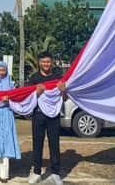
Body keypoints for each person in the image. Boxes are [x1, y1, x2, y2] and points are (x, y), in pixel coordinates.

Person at [26, 52, 66, 185]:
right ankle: (37, 172)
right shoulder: (34, 78)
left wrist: (62, 90)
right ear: (39, 63)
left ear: (52, 62)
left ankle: (55, 173)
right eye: (43, 62)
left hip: (54, 115)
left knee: (54, 144)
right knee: (37, 144)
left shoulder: (58, 78)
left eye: (48, 61)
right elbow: (27, 97)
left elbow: (65, 98)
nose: (46, 64)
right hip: (38, 115)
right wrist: (37, 93)